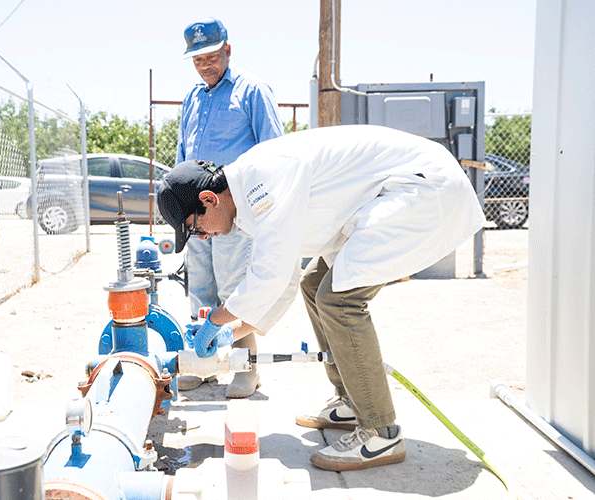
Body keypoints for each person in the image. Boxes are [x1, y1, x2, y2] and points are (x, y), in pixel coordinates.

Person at [157, 124, 485, 471]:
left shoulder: (261, 180)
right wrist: (229, 334)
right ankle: (350, 401)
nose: (203, 238)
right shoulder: (249, 203)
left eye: (195, 227)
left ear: (210, 199)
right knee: (315, 284)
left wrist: (216, 320)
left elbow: (270, 275)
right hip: (394, 194)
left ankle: (381, 431)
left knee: (339, 300)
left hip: (423, 189)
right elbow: (283, 282)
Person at [175, 17, 284, 398]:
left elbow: (275, 152)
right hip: (198, 213)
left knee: (236, 290)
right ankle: (203, 364)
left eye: (211, 56)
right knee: (200, 287)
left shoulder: (252, 91)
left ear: (228, 50)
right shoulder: (193, 98)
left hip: (235, 214)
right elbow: (183, 157)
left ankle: (245, 370)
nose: (205, 65)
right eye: (197, 59)